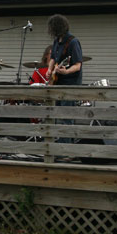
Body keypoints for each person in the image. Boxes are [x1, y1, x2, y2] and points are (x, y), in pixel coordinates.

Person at [47, 15, 83, 145]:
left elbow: (78, 65)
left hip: (70, 84)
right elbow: (53, 58)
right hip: (58, 83)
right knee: (58, 114)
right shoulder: (57, 41)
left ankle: (66, 149)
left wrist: (66, 71)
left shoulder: (73, 42)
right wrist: (49, 70)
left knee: (66, 116)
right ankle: (60, 144)